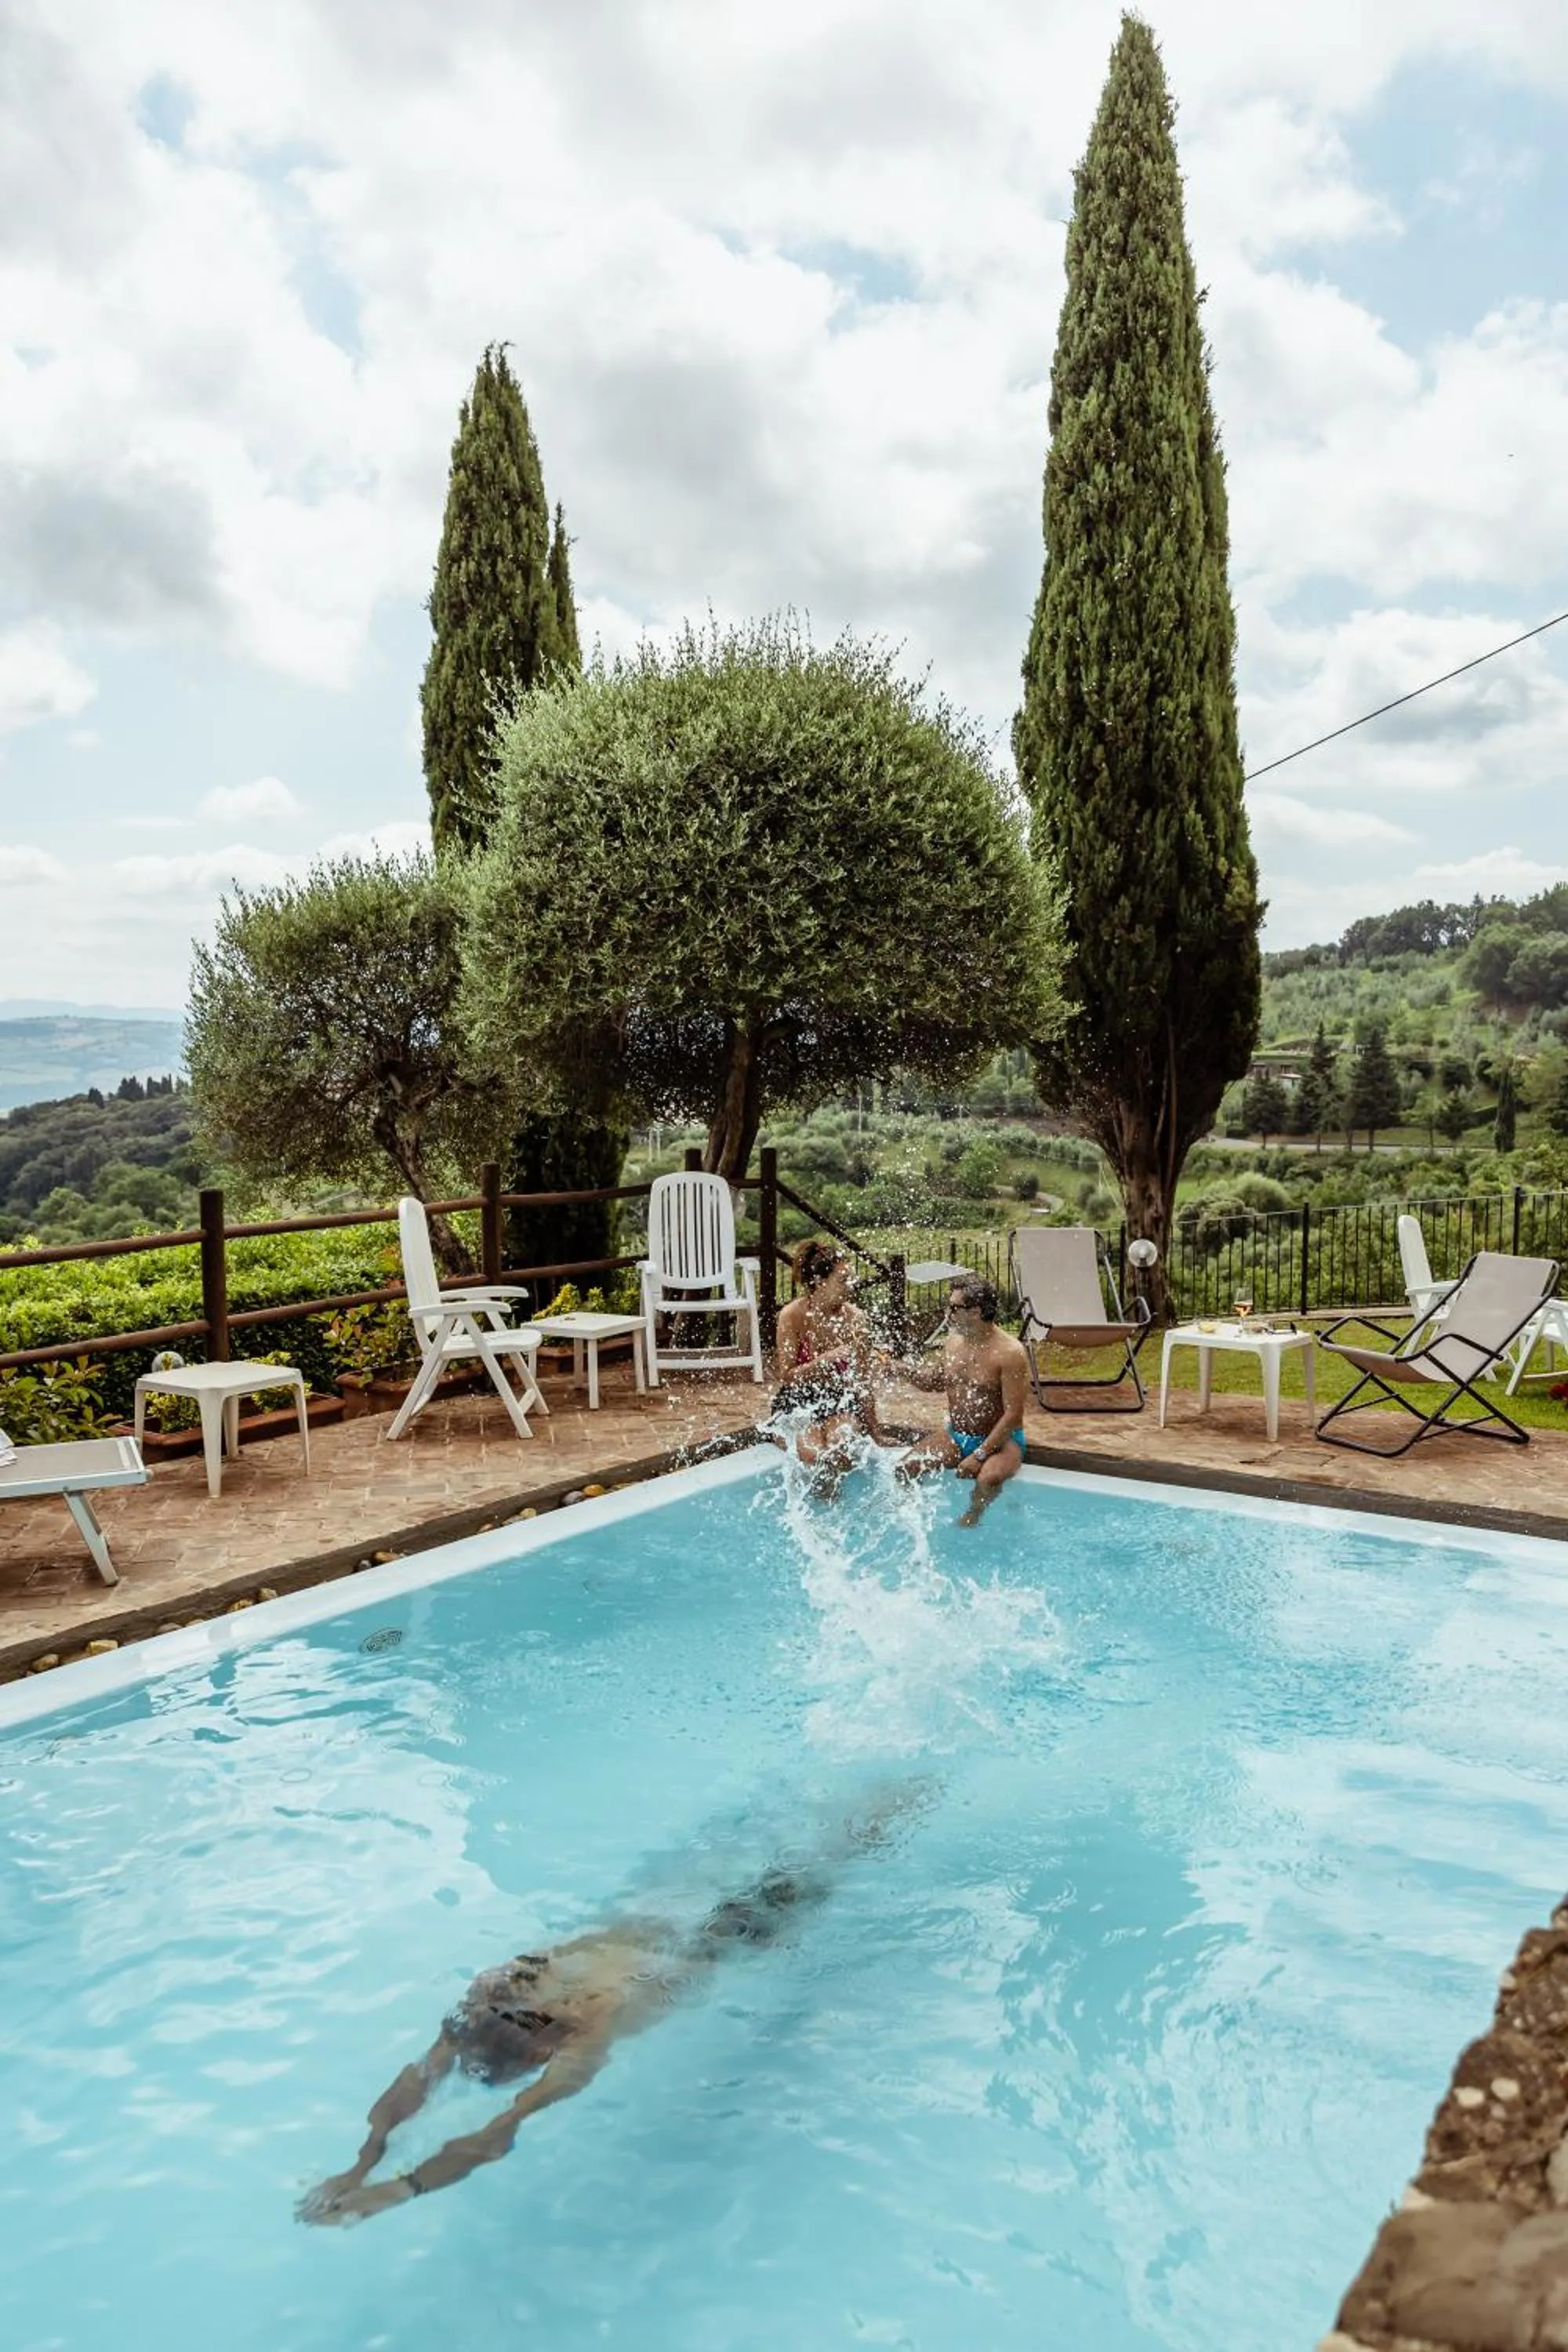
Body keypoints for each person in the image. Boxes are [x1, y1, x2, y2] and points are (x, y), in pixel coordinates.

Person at [297, 1800, 916, 2227]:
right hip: (692, 1920)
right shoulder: (536, 2012)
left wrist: (377, 2175)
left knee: (822, 1853)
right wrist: (377, 2171)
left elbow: (465, 2114)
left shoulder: (538, 2022)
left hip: (701, 1923)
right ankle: (883, 1805)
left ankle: (888, 1810)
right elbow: (458, 2104)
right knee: (805, 1849)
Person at [896, 1273, 1029, 1525]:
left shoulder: (1010, 1353)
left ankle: (973, 1519)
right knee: (905, 1468)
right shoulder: (953, 1343)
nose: (949, 1313)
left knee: (987, 1478)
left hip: (1002, 1442)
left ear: (976, 1311)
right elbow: (933, 1382)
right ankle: (911, 1520)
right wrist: (900, 1369)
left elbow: (1013, 1416)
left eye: (955, 1307)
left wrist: (979, 1455)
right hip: (956, 1436)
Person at [768, 1239, 895, 1487]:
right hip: (798, 1402)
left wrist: (876, 1432)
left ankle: (837, 1514)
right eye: (843, 1280)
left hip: (840, 1400)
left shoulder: (856, 1319)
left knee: (842, 1448)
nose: (852, 1286)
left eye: (851, 1279)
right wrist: (825, 1360)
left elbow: (863, 1381)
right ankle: (821, 1511)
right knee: (815, 1456)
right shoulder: (792, 1316)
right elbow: (787, 1376)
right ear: (818, 1282)